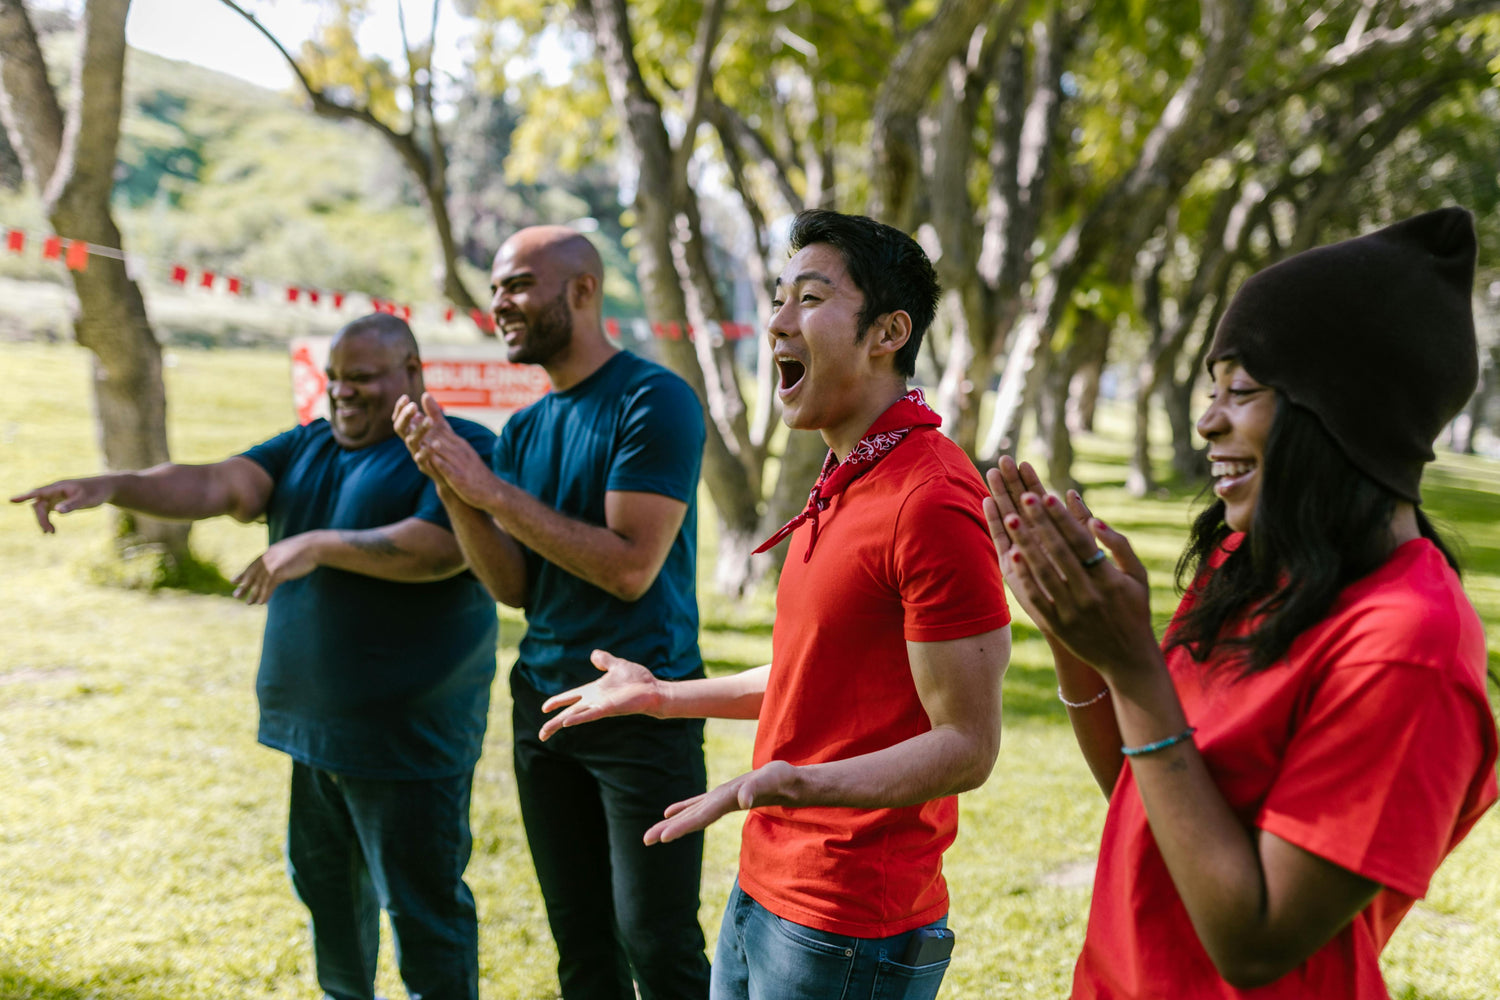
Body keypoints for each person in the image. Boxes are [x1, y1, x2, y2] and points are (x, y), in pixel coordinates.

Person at [985, 206, 1499, 999]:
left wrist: (1134, 666)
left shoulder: (1410, 644)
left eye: (1242, 389)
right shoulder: (1251, 563)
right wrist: (1076, 634)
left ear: (1337, 412)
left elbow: (1254, 943)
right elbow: (1146, 798)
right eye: (1211, 389)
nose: (1207, 420)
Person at [537, 210, 1012, 1000]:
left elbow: (967, 744)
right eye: (779, 297)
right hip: (768, 885)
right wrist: (661, 698)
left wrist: (793, 782)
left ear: (888, 331)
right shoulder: (850, 474)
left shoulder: (929, 496)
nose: (777, 322)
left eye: (810, 298)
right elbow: (816, 674)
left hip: (850, 926)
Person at [10, 314, 500, 1000]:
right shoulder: (307, 446)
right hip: (314, 733)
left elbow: (444, 549)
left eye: (361, 378)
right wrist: (117, 484)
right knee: (326, 894)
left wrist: (315, 545)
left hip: (407, 738)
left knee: (423, 912)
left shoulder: (458, 446)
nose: (342, 393)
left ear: (413, 375)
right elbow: (215, 484)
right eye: (334, 379)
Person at [393, 225, 712, 1000]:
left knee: (656, 941)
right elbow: (514, 586)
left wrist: (489, 488)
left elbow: (631, 568)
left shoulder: (653, 398)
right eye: (497, 287)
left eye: (516, 285)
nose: (498, 303)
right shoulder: (529, 427)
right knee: (581, 946)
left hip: (641, 713)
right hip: (541, 707)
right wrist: (449, 481)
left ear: (582, 291)